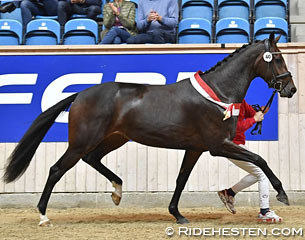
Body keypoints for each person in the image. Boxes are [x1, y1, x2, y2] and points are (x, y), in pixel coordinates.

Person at [218, 99, 283, 223]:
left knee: (257, 174)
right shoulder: (229, 103)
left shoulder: (241, 101)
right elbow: (234, 128)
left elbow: (251, 113)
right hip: (230, 146)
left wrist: (259, 112)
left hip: (237, 146)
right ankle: (265, 212)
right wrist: (254, 119)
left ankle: (229, 193)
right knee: (262, 174)